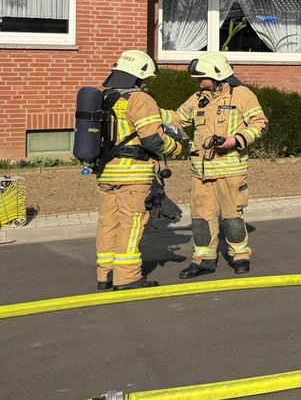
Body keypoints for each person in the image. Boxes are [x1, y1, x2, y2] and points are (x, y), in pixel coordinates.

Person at [168, 52, 268, 279]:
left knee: (232, 217)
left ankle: (240, 256)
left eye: (201, 77)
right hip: (200, 174)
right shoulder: (198, 98)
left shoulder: (242, 95)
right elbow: (176, 118)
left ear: (217, 75)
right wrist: (150, 112)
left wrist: (234, 140)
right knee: (201, 219)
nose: (198, 81)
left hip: (231, 172)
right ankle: (204, 260)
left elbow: (260, 124)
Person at [94, 50, 185, 291]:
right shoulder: (140, 99)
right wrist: (176, 148)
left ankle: (106, 275)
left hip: (106, 173)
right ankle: (128, 278)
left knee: (107, 224)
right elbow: (153, 140)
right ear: (139, 77)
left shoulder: (108, 97)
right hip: (133, 175)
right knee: (131, 225)